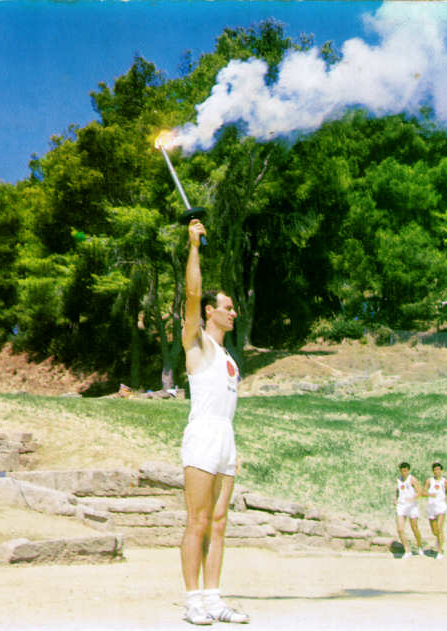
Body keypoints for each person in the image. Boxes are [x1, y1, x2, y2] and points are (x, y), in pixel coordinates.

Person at [179, 218, 249, 625]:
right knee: (199, 520)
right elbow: (191, 293)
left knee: (219, 523)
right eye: (228, 307)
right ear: (210, 312)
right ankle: (193, 601)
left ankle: (213, 598)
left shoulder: (227, 357)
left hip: (225, 438)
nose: (233, 312)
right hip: (203, 434)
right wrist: (193, 246)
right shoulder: (198, 343)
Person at [393, 462, 424, 558]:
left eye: (405, 471)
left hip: (411, 506)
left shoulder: (412, 479)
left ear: (408, 470)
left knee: (414, 528)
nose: (404, 473)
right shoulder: (398, 480)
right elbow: (398, 490)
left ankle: (420, 546)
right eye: (402, 471)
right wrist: (395, 499)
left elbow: (420, 492)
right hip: (401, 506)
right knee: (400, 529)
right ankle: (407, 550)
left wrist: (412, 498)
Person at [422, 462, 447, 560]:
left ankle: (440, 551)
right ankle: (438, 541)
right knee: (434, 531)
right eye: (435, 470)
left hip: (441, 507)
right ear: (433, 471)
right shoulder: (429, 481)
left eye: (438, 469)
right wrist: (430, 494)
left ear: (441, 471)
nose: (437, 471)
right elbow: (423, 492)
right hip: (431, 507)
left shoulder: (445, 481)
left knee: (439, 528)